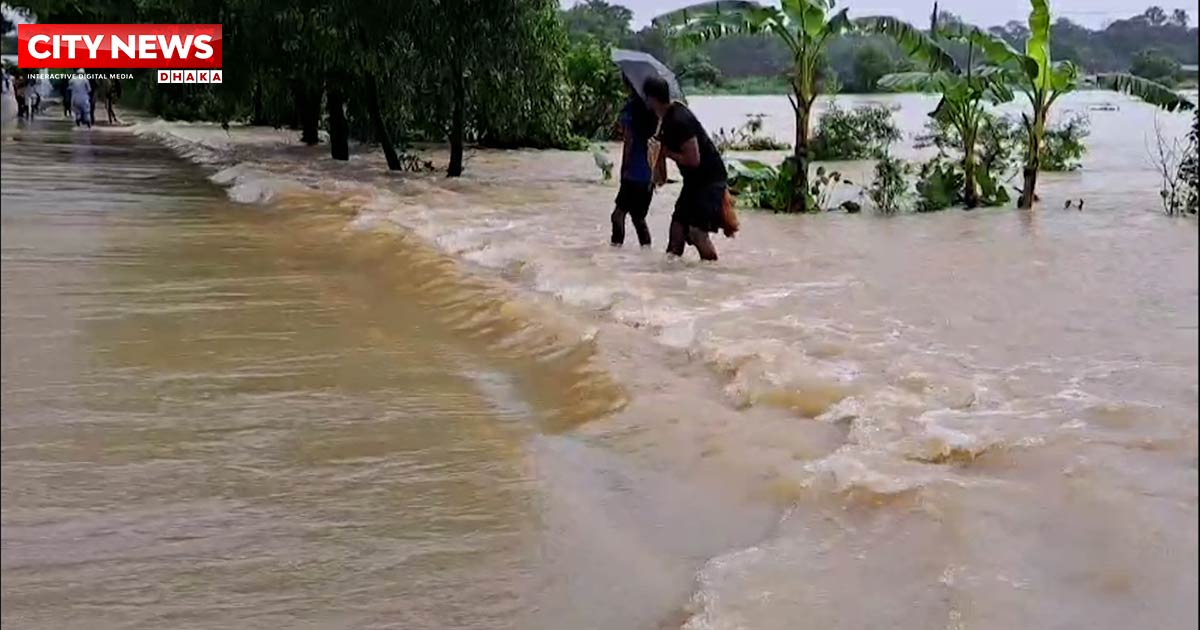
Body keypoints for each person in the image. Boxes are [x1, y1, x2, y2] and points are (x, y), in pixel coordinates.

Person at [642, 76, 727, 261]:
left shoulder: (680, 119)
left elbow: (693, 159)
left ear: (652, 99)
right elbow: (661, 175)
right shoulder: (663, 121)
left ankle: (713, 274)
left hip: (710, 181)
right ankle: (673, 282)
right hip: (693, 182)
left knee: (697, 233)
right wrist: (656, 156)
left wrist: (666, 152)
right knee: (676, 232)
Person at [611, 80, 658, 247]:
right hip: (649, 175)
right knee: (638, 218)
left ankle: (616, 250)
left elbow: (628, 141)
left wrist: (624, 168)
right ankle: (646, 251)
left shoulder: (631, 110)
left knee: (618, 215)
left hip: (633, 172)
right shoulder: (654, 112)